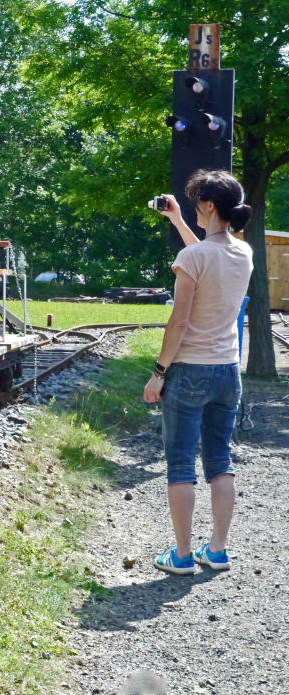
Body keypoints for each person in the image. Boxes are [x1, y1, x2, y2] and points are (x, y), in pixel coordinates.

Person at [144, 170, 253, 575]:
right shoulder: (243, 253)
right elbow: (207, 258)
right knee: (220, 461)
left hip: (190, 371)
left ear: (208, 206)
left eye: (194, 204)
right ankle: (218, 551)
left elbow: (180, 323)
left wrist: (159, 372)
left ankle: (183, 555)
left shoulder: (193, 259)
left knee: (179, 464)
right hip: (228, 371)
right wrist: (178, 221)